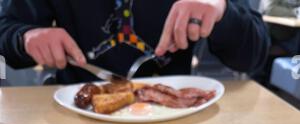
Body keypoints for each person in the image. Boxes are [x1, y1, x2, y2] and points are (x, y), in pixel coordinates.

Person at [0, 0, 270, 84]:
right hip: (74, 108)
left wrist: (222, 10)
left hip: (175, 113)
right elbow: (6, 28)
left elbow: (253, 56)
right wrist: (26, 37)